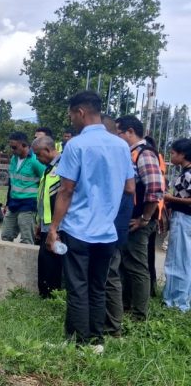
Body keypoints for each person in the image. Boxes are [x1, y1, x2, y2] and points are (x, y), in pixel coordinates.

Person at [46, 91, 134, 349]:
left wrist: (53, 228)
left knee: (77, 287)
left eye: (72, 114)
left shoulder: (76, 145)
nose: (71, 119)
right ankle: (96, 341)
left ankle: (77, 341)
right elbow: (130, 187)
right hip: (107, 231)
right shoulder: (121, 145)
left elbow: (66, 190)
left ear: (80, 112)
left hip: (79, 228)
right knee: (98, 287)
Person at [115, 115, 164, 322]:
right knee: (126, 264)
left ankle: (139, 315)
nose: (117, 137)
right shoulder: (131, 154)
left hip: (139, 222)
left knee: (137, 267)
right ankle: (127, 305)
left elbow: (155, 189)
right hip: (129, 220)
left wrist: (144, 218)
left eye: (119, 133)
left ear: (130, 132)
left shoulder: (144, 154)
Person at [100, 114, 135, 339]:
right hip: (113, 222)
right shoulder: (120, 151)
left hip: (113, 223)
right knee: (106, 274)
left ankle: (113, 327)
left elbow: (129, 188)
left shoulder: (117, 152)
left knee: (110, 274)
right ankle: (107, 321)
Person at [1, 132, 46, 245]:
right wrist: (7, 202)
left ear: (24, 145)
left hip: (28, 203)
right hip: (13, 202)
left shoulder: (35, 161)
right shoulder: (13, 159)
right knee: (6, 235)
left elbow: (46, 180)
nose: (12, 149)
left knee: (26, 238)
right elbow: (12, 183)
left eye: (14, 147)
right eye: (11, 147)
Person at [163, 138, 191, 312]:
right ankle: (179, 299)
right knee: (183, 259)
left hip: (183, 217)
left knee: (178, 259)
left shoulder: (188, 174)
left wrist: (169, 198)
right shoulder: (184, 172)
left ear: (183, 155)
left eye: (173, 153)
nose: (171, 156)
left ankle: (176, 302)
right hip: (182, 217)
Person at [32, 136, 62, 298]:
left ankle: (53, 297)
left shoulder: (63, 165)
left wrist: (55, 228)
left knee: (53, 264)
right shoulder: (49, 168)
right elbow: (44, 197)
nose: (37, 158)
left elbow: (63, 197)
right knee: (44, 262)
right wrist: (40, 222)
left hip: (57, 226)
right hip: (46, 224)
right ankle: (45, 296)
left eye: (38, 154)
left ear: (48, 150)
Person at [143, 135, 166, 297]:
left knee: (146, 256)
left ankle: (149, 290)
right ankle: (150, 288)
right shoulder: (158, 160)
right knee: (148, 254)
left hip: (150, 213)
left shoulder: (149, 158)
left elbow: (156, 190)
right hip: (155, 212)